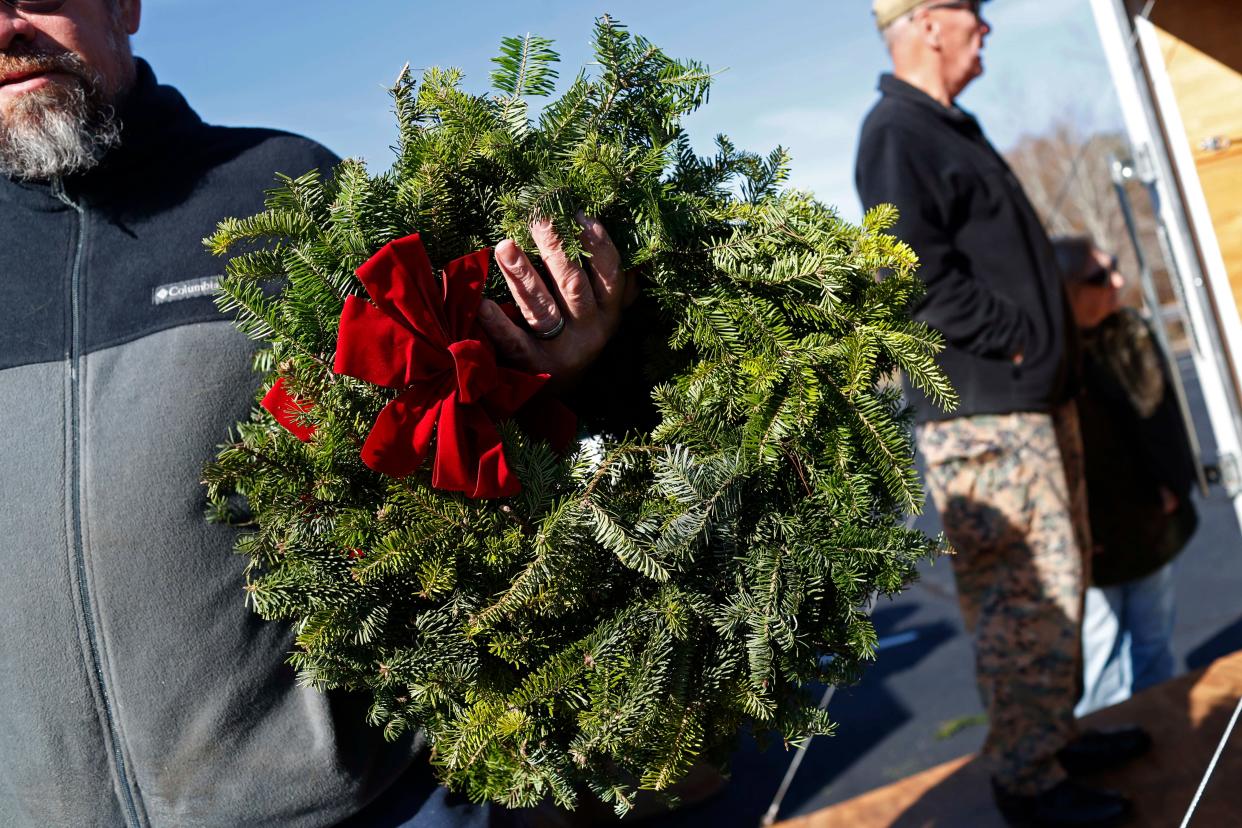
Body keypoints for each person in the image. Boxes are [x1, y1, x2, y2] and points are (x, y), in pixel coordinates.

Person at [0, 1, 631, 825]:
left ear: (125, 4)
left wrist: (557, 368)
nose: (8, 28)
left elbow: (458, 458)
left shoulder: (284, 188)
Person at [855, 2, 1146, 825]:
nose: (987, 27)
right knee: (1026, 601)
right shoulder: (894, 133)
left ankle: (1047, 738)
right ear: (926, 23)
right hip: (986, 416)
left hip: (1031, 403)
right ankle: (1028, 782)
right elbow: (914, 277)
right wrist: (1020, 339)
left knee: (1059, 585)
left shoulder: (954, 125)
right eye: (971, 14)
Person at [1053, 237, 1198, 716]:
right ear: (1069, 289)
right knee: (1102, 655)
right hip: (1092, 538)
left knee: (1155, 641)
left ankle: (1166, 735)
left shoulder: (1129, 333)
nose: (1116, 281)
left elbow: (1164, 415)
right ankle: (1110, 741)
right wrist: (1073, 534)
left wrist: (1174, 484)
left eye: (1113, 267)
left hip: (1149, 520)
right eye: (1100, 276)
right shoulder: (1050, 359)